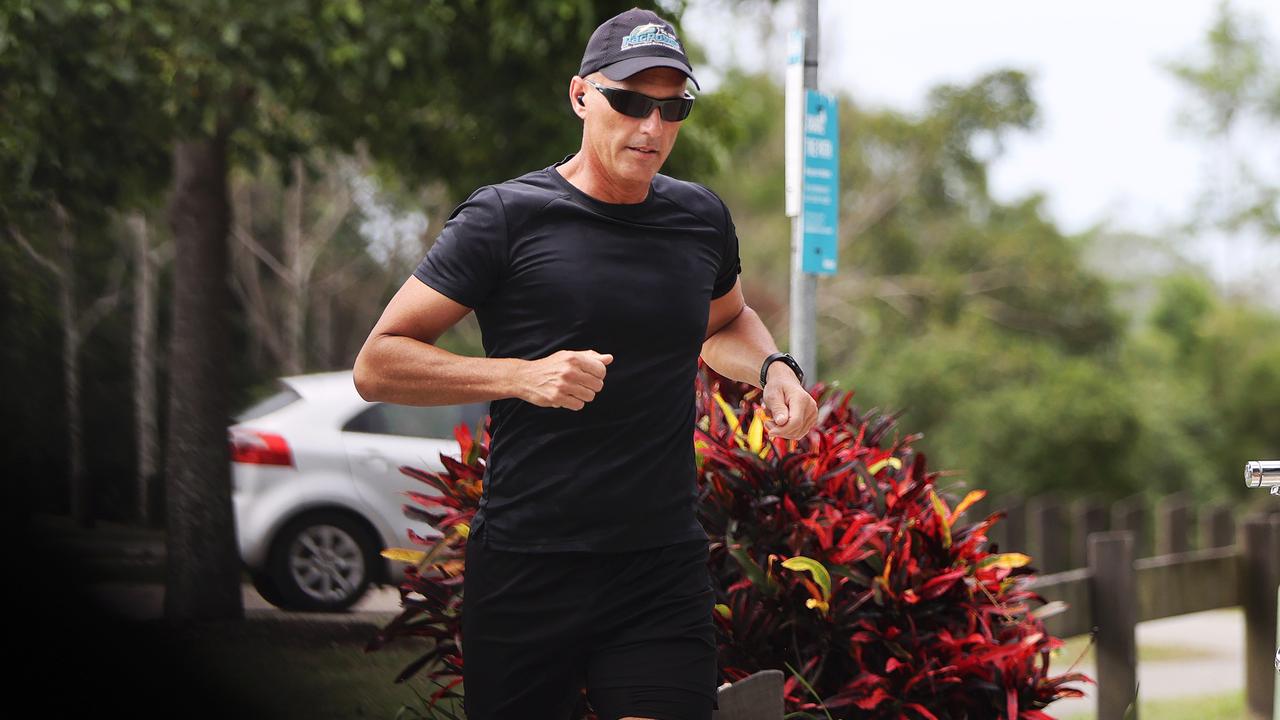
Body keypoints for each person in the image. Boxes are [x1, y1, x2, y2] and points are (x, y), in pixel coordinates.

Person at [353, 7, 818, 720]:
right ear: (580, 96)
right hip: (528, 565)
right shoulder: (505, 217)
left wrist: (774, 368)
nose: (652, 126)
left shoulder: (700, 219)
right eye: (630, 101)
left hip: (657, 565)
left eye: (673, 107)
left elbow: (725, 322)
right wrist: (520, 375)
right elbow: (378, 363)